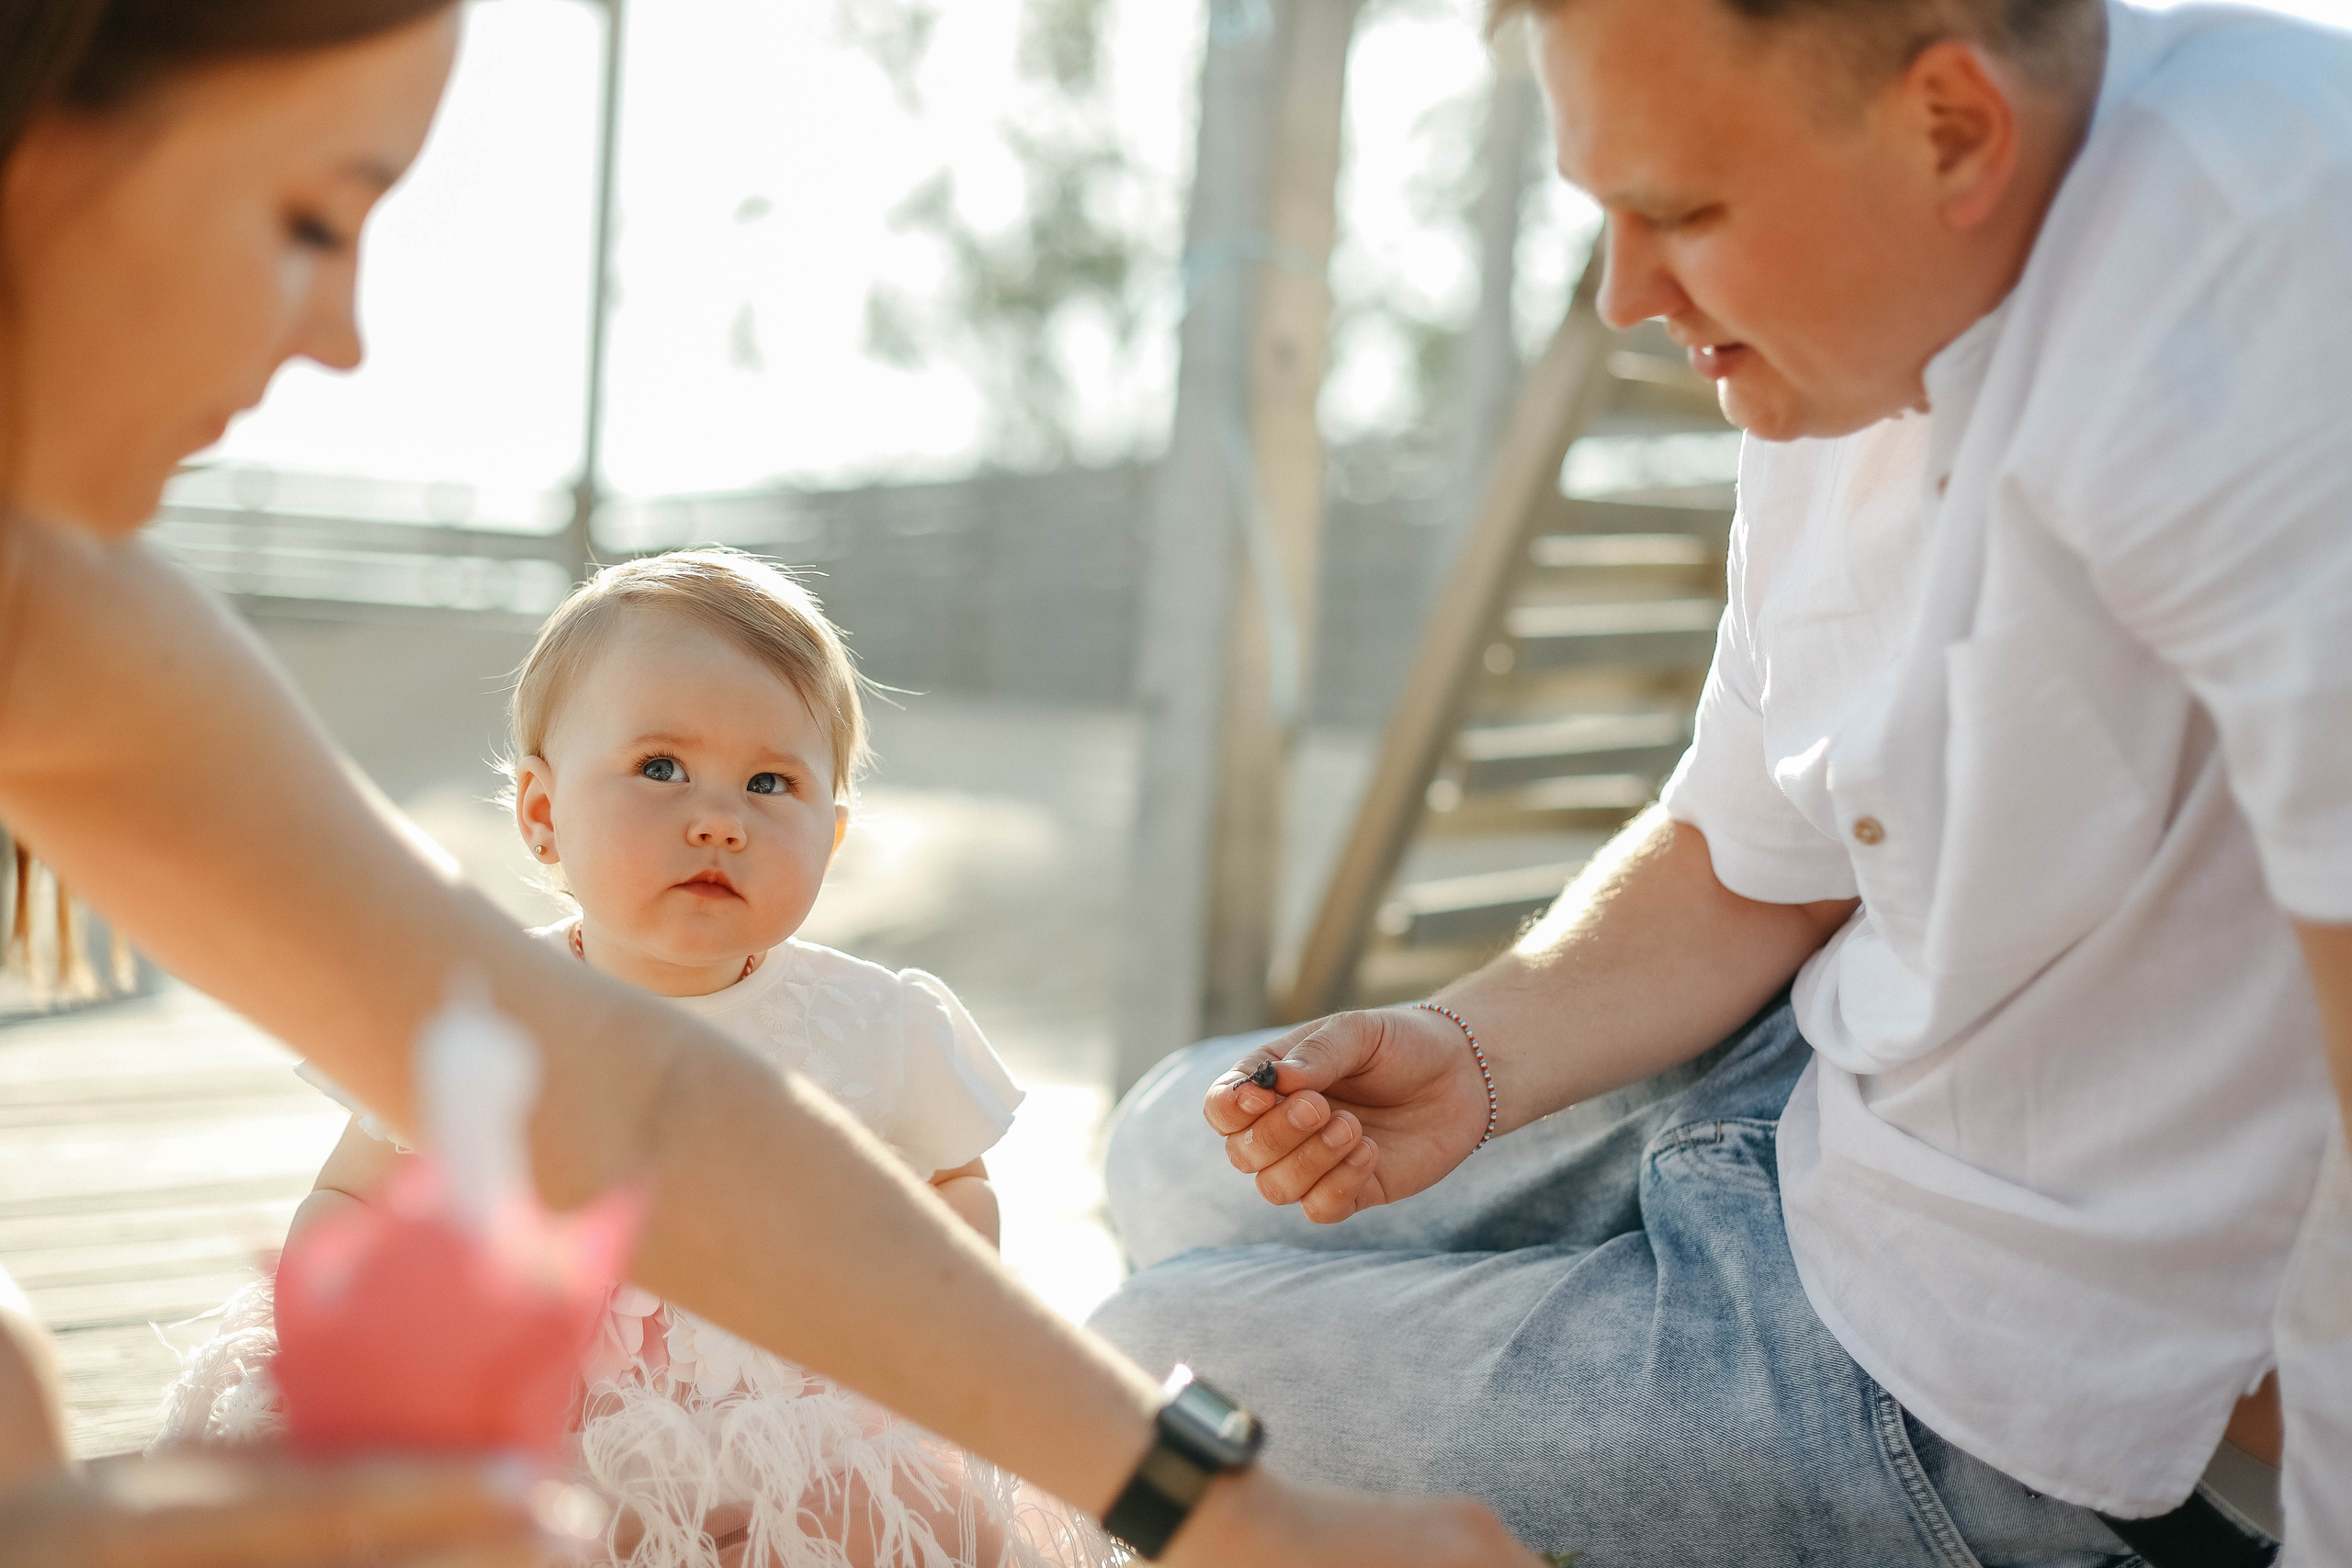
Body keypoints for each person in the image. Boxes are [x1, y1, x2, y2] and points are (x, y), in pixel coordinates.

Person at [0, 2, 1536, 1563]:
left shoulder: (72, 632)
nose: (343, 336)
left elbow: (627, 1096)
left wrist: (1223, 1508)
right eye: (311, 217)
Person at [1091, 0, 2352, 1564]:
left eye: (1678, 213)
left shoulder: (2257, 288)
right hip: (1825, 1091)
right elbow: (1749, 841)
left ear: (1952, 127)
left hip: (1990, 1354)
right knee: (1165, 1146)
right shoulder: (1854, 307)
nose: (1624, 295)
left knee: (1141, 1382)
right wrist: (1466, 1050)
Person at [159, 548, 1123, 1568]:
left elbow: (954, 1190)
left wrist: (923, 1326)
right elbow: (357, 1197)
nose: (718, 818)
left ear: (830, 839)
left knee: (888, 1521)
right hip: (539, 1406)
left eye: (770, 782)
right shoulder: (481, 1009)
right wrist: (354, 1338)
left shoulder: (872, 1024)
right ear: (542, 816)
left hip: (800, 1413)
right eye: (660, 769)